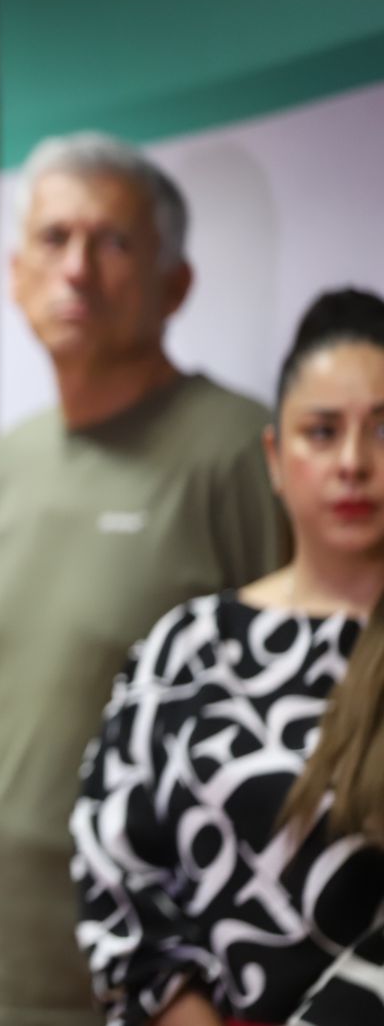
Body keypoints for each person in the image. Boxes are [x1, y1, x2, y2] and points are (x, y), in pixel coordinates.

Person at [0, 132, 288, 1026]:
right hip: (5, 948)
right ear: (15, 273)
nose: (77, 268)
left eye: (112, 242)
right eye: (54, 238)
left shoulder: (241, 453)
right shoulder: (6, 462)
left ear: (175, 283)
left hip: (174, 961)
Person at [71, 288, 384, 1026]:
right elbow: (112, 862)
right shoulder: (187, 645)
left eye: (382, 429)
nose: (352, 462)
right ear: (275, 458)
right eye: (322, 431)